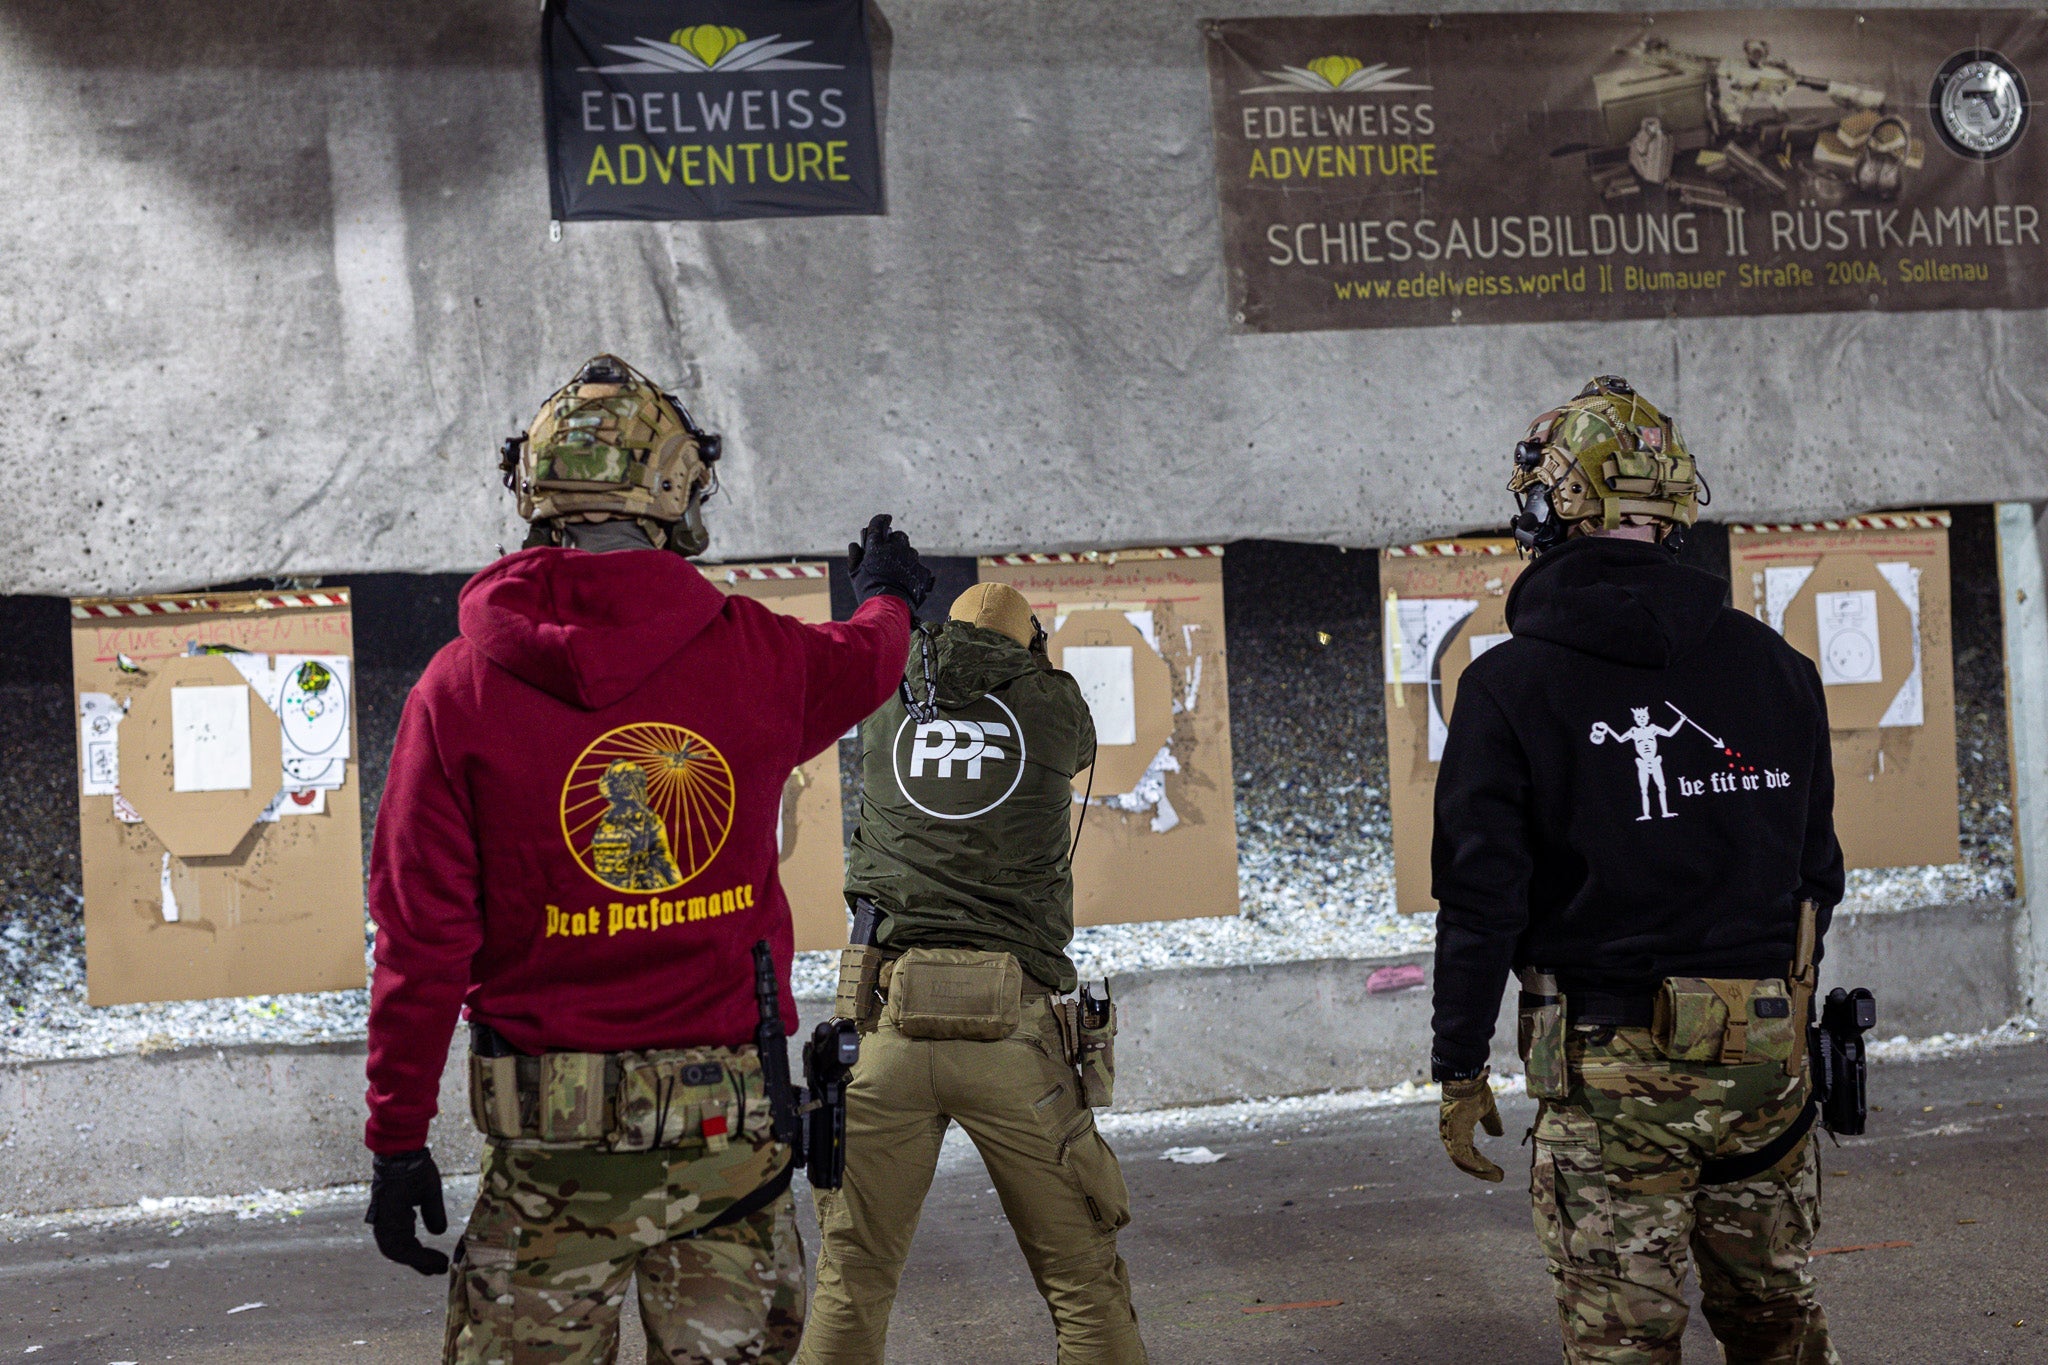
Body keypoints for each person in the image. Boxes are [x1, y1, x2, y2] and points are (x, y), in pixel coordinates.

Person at [360, 354, 932, 1365]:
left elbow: (421, 942)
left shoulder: (456, 690)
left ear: (535, 493)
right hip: (728, 1141)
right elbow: (870, 657)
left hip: (548, 1153)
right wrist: (886, 595)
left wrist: (397, 1137)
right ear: (677, 490)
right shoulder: (757, 655)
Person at [1428, 375, 1844, 1364]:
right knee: (1778, 1327)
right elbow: (1816, 876)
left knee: (1625, 1345)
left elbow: (1481, 900)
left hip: (1607, 1072)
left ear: (1556, 502)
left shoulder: (1507, 685)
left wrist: (1457, 1062)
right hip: (1765, 1062)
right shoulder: (1779, 670)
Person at [795, 582, 1148, 1365]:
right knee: (1083, 1283)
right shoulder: (1052, 702)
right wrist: (1033, 664)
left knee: (851, 1281)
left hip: (884, 1021)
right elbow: (1078, 746)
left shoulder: (889, 690)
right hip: (1014, 1033)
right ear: (1031, 645)